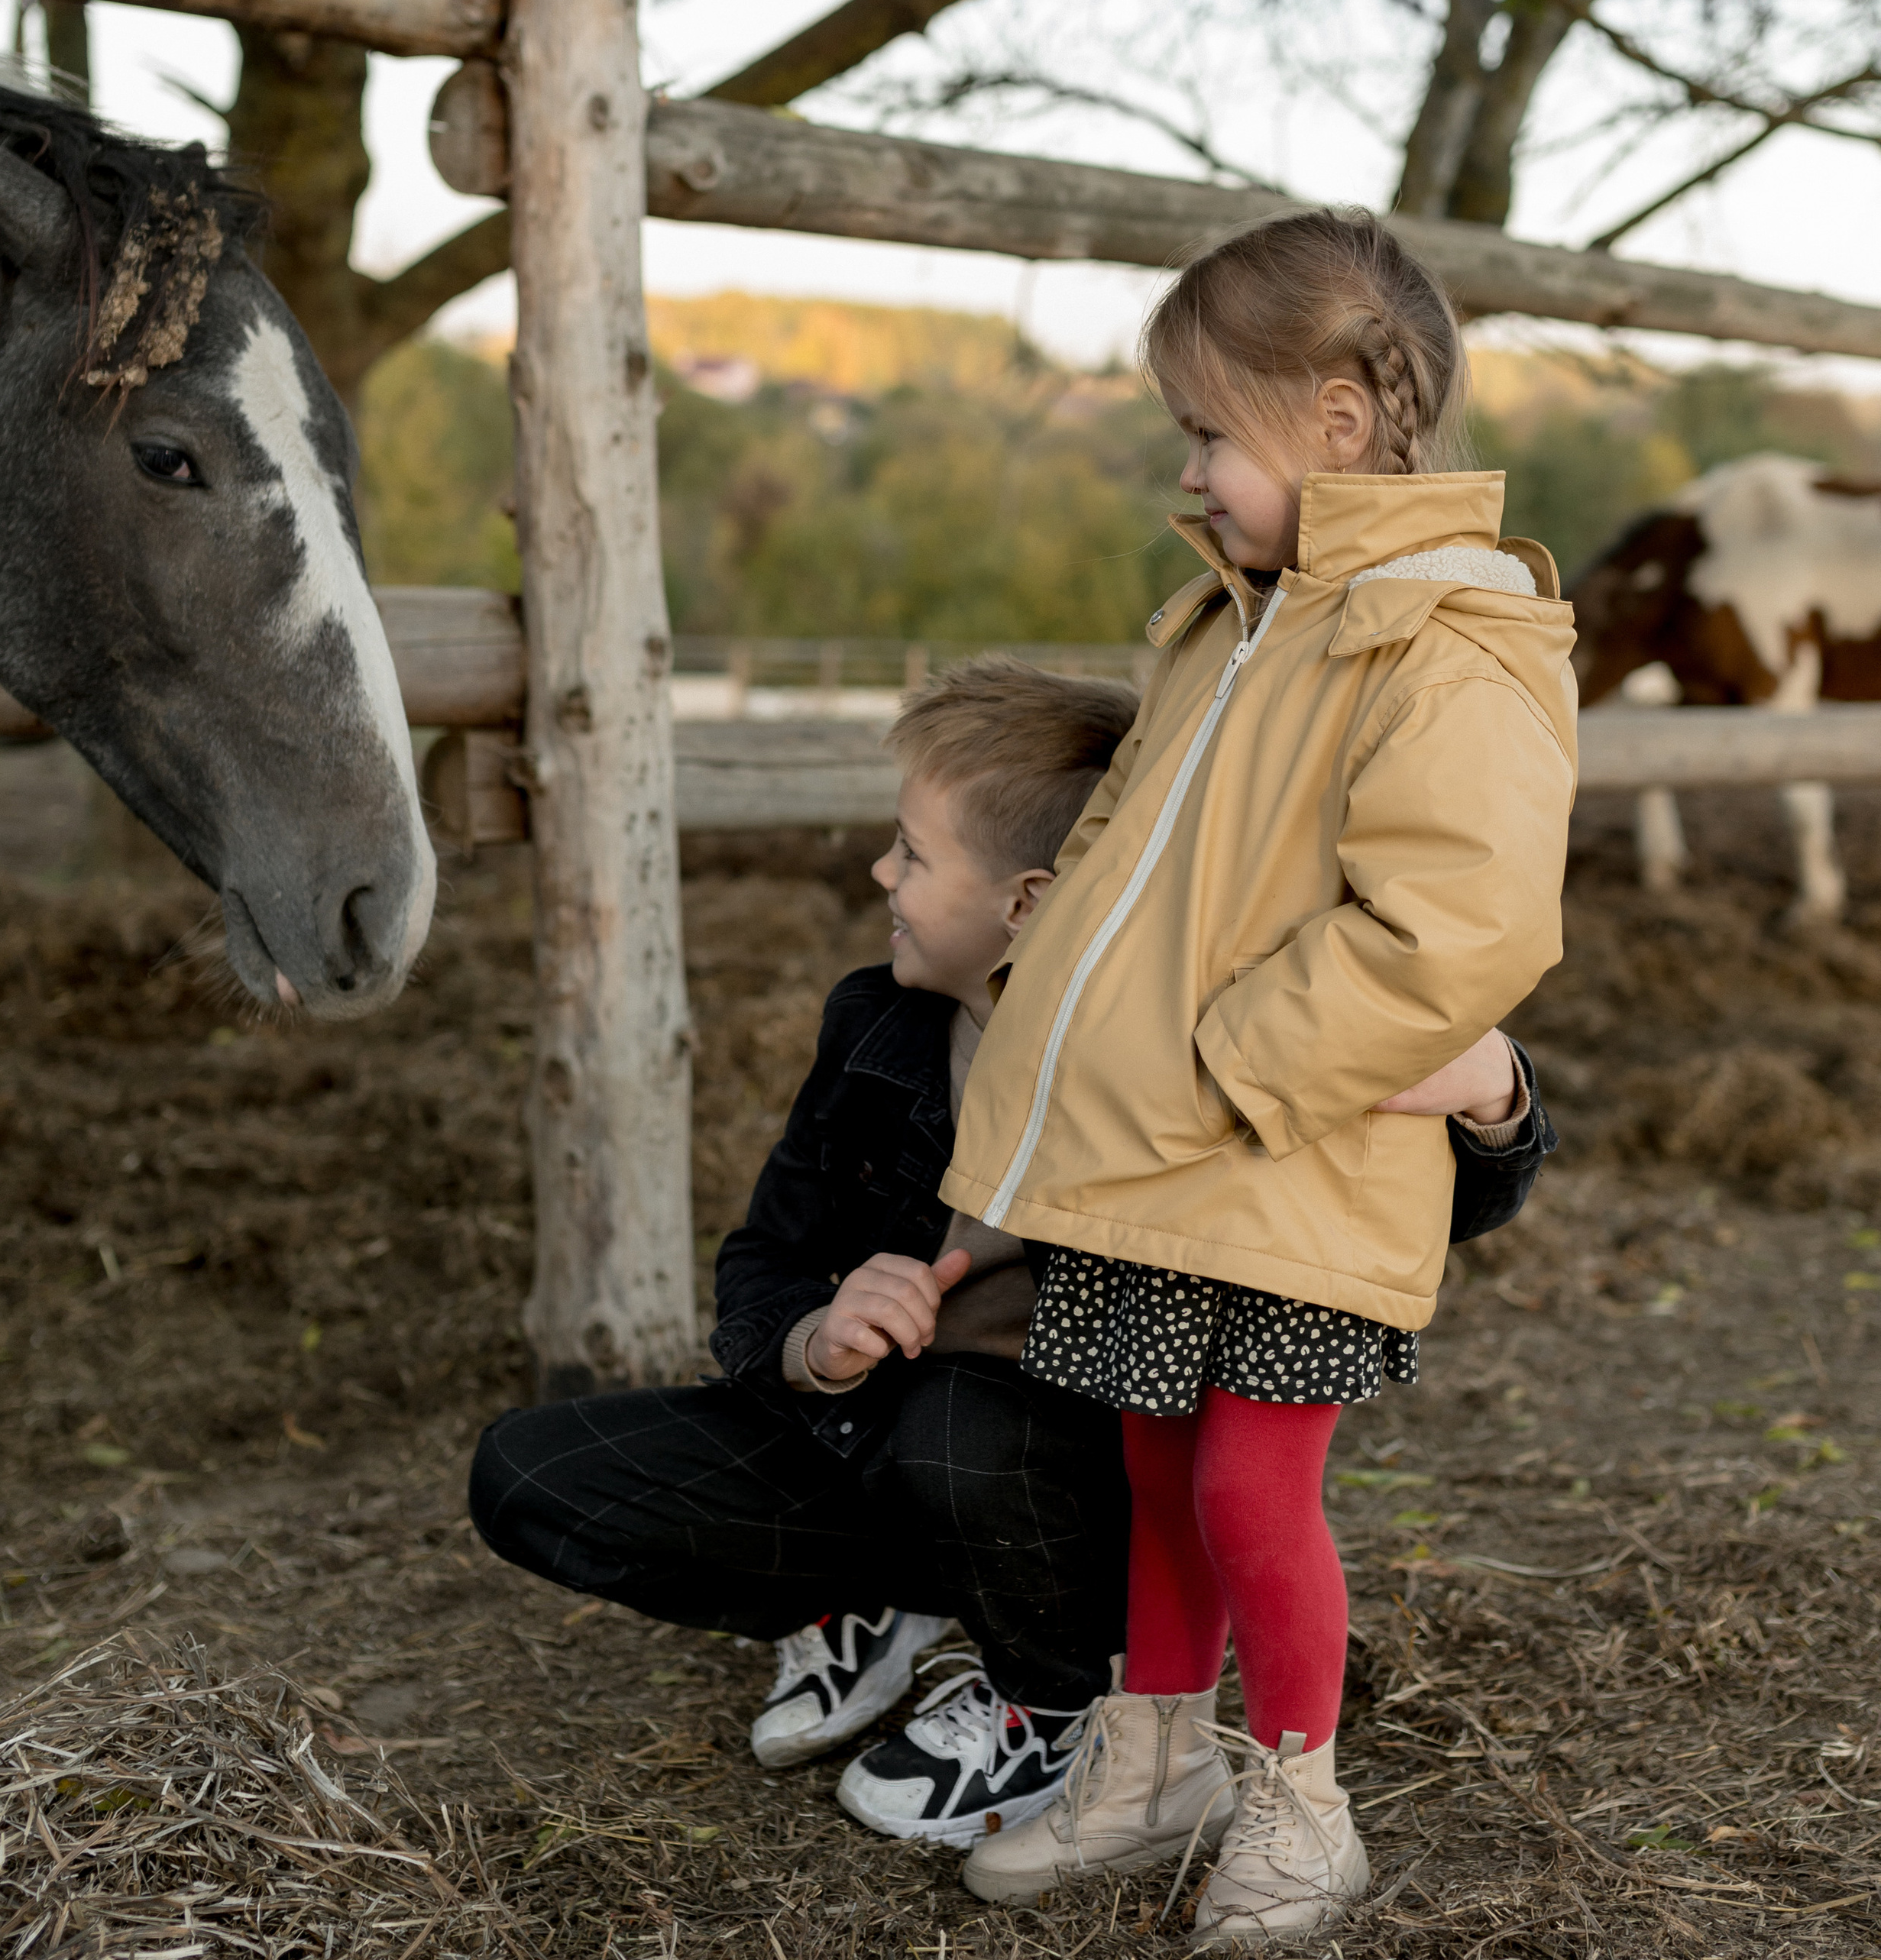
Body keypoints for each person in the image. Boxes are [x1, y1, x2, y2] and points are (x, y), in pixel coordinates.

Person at [468, 649, 1557, 1855]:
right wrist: (813, 1338)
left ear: (1031, 901)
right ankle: (875, 1605)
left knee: (957, 1424)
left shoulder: (1195, 1056)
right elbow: (766, 1254)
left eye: (914, 852)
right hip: (874, 1431)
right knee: (528, 1472)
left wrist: (1497, 1094)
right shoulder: (875, 1024)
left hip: (1057, 1477)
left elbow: (1378, 1213)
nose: (880, 871)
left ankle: (1055, 1697)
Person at [942, 211, 1577, 1942]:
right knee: (1148, 1463)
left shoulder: (1443, 637)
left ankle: (1302, 1795)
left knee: (1246, 1484)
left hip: (1290, 1153)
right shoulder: (1229, 626)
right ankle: (1157, 1762)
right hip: (1162, 1155)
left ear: (1338, 424)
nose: (1191, 471)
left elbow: (1458, 924)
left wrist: (1236, 1058)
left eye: (1209, 433)